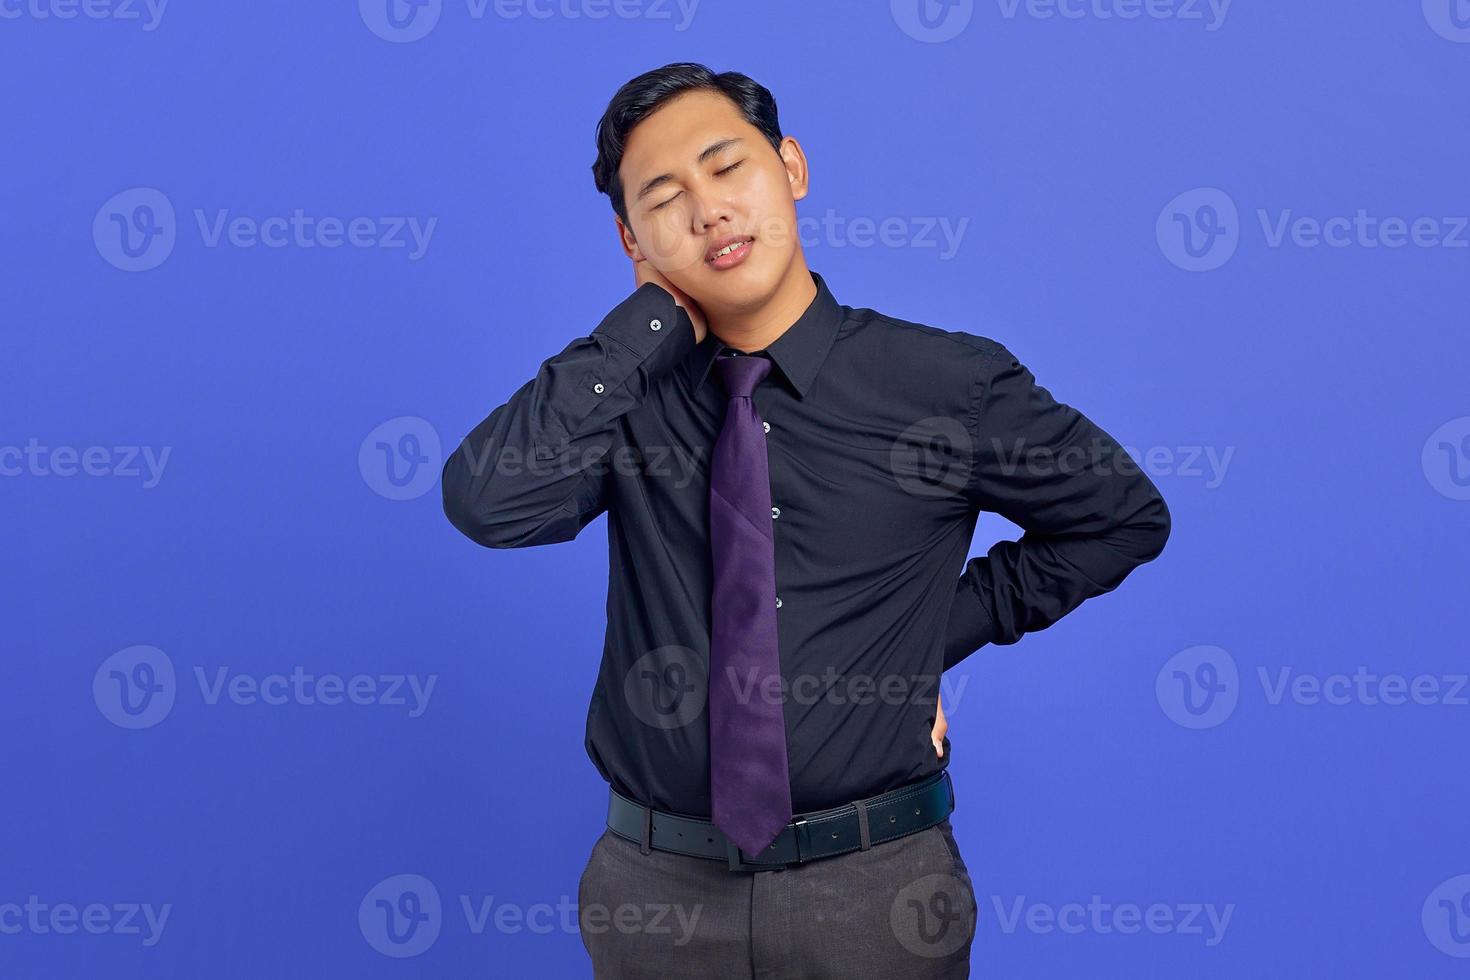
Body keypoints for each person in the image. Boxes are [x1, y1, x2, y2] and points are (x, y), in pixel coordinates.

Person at [441, 61, 1170, 979]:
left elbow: (1122, 518)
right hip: (656, 897)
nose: (708, 211)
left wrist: (919, 643)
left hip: (877, 891)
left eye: (727, 167)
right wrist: (645, 328)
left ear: (791, 167)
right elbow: (488, 500)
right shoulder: (625, 401)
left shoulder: (944, 384)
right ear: (632, 240)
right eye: (666, 199)